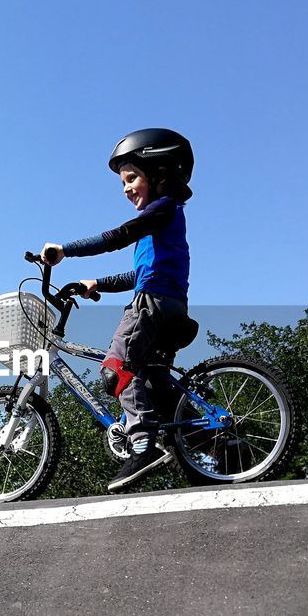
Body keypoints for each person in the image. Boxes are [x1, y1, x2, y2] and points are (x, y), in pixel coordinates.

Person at [40, 128, 194, 492]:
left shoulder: (162, 209)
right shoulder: (161, 223)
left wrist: (67, 249)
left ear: (159, 174)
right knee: (156, 386)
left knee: (116, 369)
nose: (125, 188)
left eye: (131, 178)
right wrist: (98, 283)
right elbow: (136, 273)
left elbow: (117, 236)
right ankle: (211, 447)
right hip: (168, 303)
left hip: (151, 305)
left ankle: (142, 445)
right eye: (122, 182)